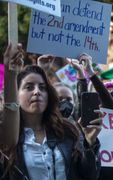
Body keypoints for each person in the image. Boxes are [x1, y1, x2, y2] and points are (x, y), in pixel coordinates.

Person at [1, 43, 102, 180]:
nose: (37, 92)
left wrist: (90, 144)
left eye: (42, 88)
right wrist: (11, 71)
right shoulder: (8, 137)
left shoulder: (67, 130)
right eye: (29, 87)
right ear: (16, 95)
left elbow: (89, 176)